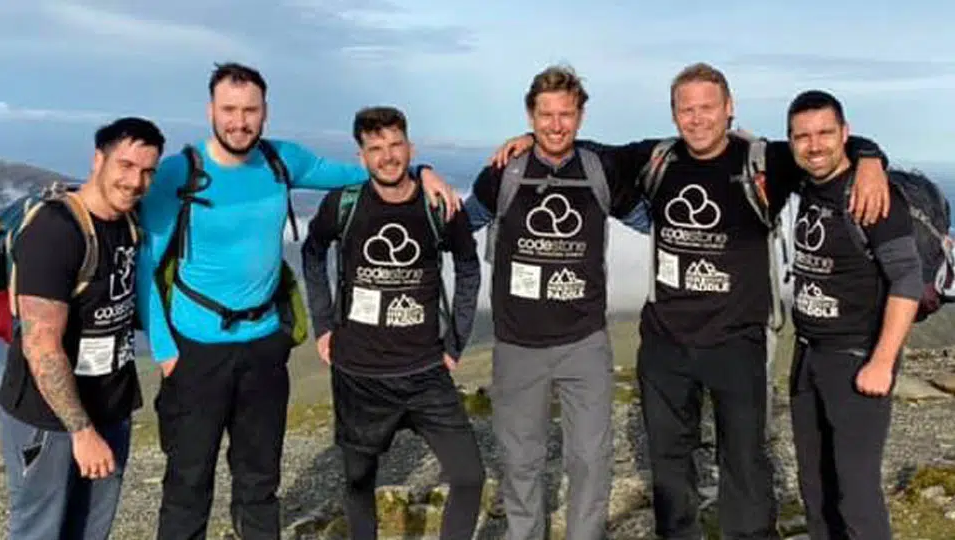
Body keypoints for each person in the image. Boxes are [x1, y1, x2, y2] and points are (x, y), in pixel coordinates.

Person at [489, 62, 891, 539]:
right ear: (674, 114)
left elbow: (823, 148)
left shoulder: (765, 161)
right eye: (686, 109)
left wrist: (871, 158)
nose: (697, 119)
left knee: (743, 458)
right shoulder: (656, 158)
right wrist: (528, 137)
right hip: (665, 342)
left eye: (707, 107)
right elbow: (572, 145)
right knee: (669, 462)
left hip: (738, 339)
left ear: (729, 108)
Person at [135, 63, 460, 540]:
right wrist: (166, 353)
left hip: (266, 346)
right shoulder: (178, 174)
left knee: (260, 480)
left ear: (265, 112)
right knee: (187, 483)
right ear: (210, 111)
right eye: (229, 110)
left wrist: (420, 170)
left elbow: (362, 170)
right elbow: (147, 264)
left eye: (250, 110)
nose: (239, 121)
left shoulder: (280, 160)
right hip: (194, 350)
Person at [463, 65, 651, 540]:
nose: (555, 125)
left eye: (565, 114)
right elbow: (458, 227)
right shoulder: (504, 173)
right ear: (531, 115)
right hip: (517, 343)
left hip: (584, 341)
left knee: (590, 458)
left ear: (581, 115)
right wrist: (422, 181)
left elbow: (654, 221)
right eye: (546, 115)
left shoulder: (598, 170)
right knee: (520, 459)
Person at [301, 105, 484, 540]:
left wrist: (455, 342)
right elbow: (312, 253)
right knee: (359, 480)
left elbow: (468, 267)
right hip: (359, 372)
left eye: (395, 145)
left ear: (410, 148)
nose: (387, 156)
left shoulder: (439, 205)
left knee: (469, 476)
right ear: (361, 156)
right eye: (375, 148)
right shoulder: (342, 205)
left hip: (425, 370)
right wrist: (324, 325)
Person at [0, 117, 165, 540]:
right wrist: (82, 431)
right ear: (97, 160)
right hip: (48, 419)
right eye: (125, 165)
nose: (135, 181)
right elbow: (41, 344)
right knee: (40, 529)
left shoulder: (127, 223)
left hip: (110, 406)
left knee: (91, 530)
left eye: (147, 171)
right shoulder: (55, 230)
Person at [786, 90, 920, 540]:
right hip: (808, 355)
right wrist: (868, 154)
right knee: (816, 488)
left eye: (826, 132)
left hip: (857, 358)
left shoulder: (873, 196)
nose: (815, 144)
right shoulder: (808, 183)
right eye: (802, 136)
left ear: (845, 133)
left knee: (857, 494)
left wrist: (882, 362)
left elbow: (907, 280)